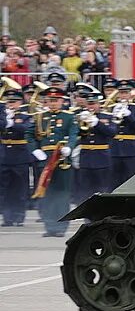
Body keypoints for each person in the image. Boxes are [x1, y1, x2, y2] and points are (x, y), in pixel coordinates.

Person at [27, 86, 78, 237]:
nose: (53, 103)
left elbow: (73, 134)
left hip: (62, 160)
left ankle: (61, 227)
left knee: (62, 194)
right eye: (50, 100)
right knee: (48, 194)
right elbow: (29, 134)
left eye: (56, 100)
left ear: (62, 101)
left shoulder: (69, 117)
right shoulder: (39, 117)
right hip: (45, 159)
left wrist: (69, 147)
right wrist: (35, 150)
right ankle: (50, 226)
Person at [74, 88, 119, 202]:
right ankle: (87, 218)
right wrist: (81, 123)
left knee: (103, 189)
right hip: (86, 158)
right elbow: (76, 134)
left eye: (93, 104)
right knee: (85, 190)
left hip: (102, 158)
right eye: (89, 104)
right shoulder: (80, 116)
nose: (91, 107)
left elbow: (112, 133)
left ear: (99, 104)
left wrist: (97, 123)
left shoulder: (107, 117)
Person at [1, 89, 34, 226]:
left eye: (14, 102)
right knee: (4, 189)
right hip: (3, 156)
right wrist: (4, 119)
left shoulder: (26, 115)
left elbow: (26, 128)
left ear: (20, 102)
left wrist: (12, 123)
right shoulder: (2, 116)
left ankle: (19, 216)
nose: (11, 104)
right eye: (9, 102)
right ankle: (7, 217)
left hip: (20, 156)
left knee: (20, 189)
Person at [109, 80, 135, 188]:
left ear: (131, 93)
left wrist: (129, 116)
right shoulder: (112, 107)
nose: (123, 95)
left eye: (126, 92)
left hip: (131, 149)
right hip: (115, 148)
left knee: (131, 178)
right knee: (115, 180)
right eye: (121, 92)